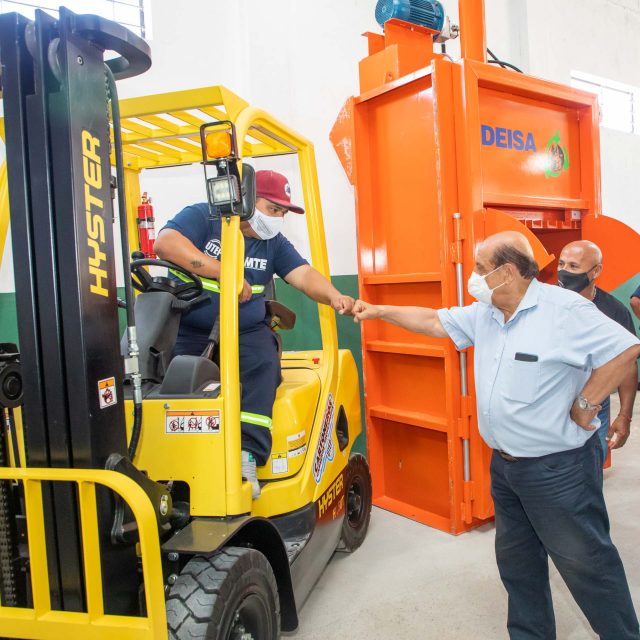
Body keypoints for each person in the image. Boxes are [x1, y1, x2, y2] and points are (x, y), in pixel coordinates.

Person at [352, 231, 640, 640]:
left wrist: (586, 403)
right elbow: (434, 320)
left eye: (479, 268)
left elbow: (625, 349)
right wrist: (378, 310)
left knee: (587, 566)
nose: (472, 276)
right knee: (518, 565)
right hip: (505, 468)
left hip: (558, 471)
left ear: (506, 273)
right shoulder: (486, 312)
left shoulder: (565, 310)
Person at [154, 170, 355, 498]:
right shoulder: (204, 217)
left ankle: (247, 454)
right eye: (273, 209)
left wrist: (334, 296)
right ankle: (175, 461)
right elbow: (166, 243)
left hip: (246, 331)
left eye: (283, 213)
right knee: (168, 377)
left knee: (263, 363)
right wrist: (223, 271)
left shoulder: (273, 243)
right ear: (247, 200)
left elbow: (304, 274)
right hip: (189, 328)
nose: (278, 218)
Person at [557, 240, 637, 462]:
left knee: (592, 465)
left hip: (594, 405)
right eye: (561, 264)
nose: (564, 271)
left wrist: (624, 416)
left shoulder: (613, 311)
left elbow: (627, 366)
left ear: (595, 271)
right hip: (551, 401)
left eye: (573, 266)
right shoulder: (545, 303)